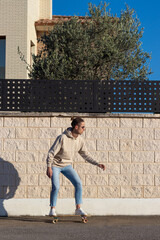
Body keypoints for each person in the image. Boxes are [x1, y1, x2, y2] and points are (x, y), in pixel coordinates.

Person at [46, 117, 106, 216]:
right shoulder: (62, 138)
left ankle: (78, 208)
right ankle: (52, 209)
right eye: (82, 127)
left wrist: (97, 163)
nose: (84, 129)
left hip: (67, 166)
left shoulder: (80, 140)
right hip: (56, 165)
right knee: (56, 187)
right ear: (76, 127)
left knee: (78, 183)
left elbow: (85, 155)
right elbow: (51, 153)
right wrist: (49, 167)